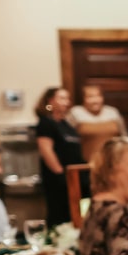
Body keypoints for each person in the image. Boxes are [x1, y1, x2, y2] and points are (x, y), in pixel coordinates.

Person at [35, 87, 84, 229]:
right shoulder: (46, 123)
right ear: (50, 101)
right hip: (58, 178)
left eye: (67, 99)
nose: (66, 102)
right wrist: (60, 173)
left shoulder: (66, 124)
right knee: (59, 214)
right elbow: (46, 150)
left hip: (73, 176)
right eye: (62, 98)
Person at [72, 83, 125, 164]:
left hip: (113, 161)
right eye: (90, 97)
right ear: (83, 99)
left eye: (98, 96)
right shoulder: (75, 112)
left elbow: (124, 136)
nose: (95, 100)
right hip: (85, 163)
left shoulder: (113, 112)